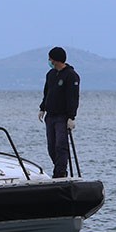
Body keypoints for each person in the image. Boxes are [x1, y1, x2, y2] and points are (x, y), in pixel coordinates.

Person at [38, 47, 80, 178]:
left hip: (62, 116)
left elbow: (73, 97)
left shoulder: (71, 75)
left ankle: (60, 173)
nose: (49, 61)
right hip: (50, 116)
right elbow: (47, 93)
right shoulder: (50, 74)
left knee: (60, 145)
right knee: (51, 147)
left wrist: (71, 117)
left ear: (56, 60)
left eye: (50, 58)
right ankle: (58, 168)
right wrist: (42, 108)